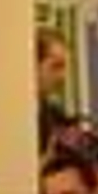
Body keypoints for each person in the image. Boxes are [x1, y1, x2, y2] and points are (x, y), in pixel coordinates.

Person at [36, 27, 75, 156]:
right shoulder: (12, 117)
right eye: (56, 66)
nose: (63, 76)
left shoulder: (55, 113)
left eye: (64, 68)